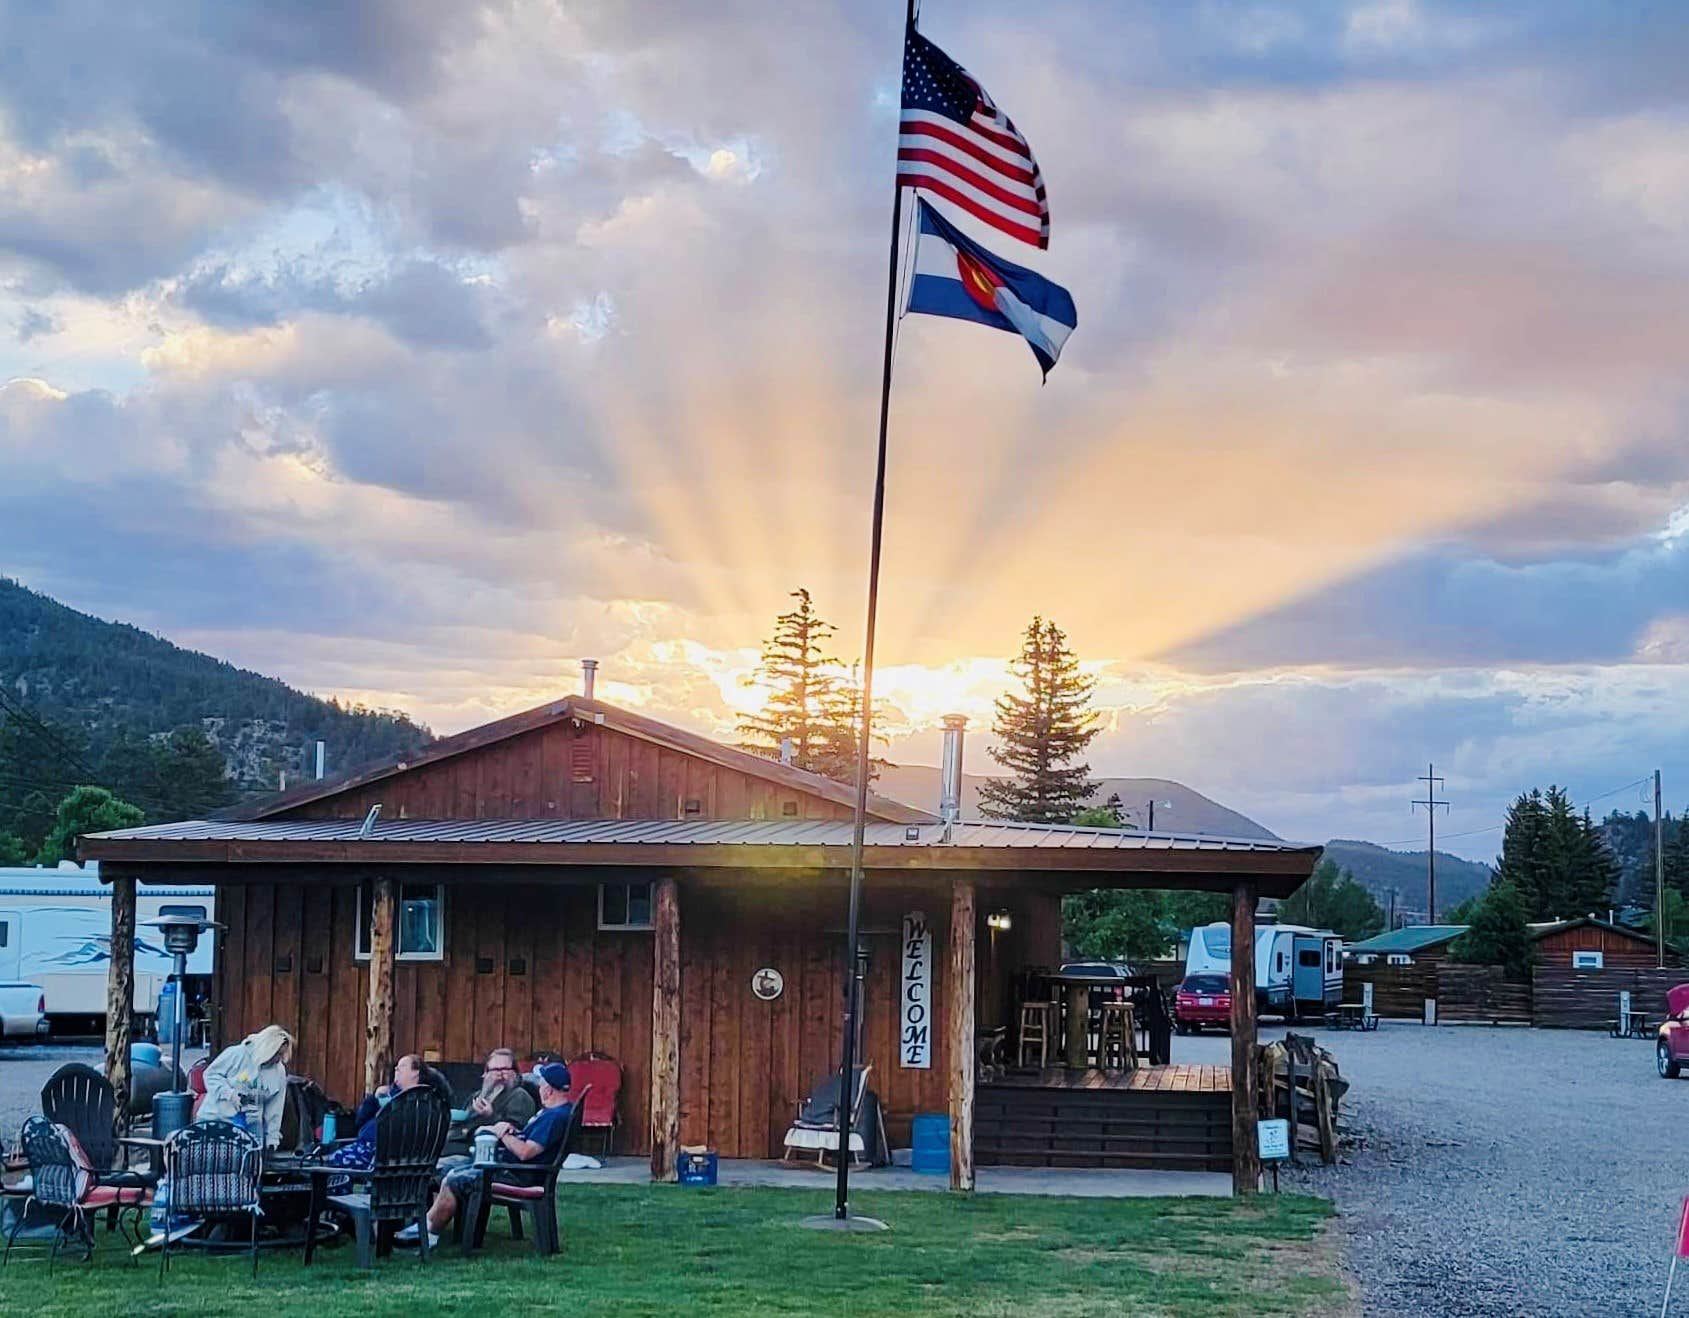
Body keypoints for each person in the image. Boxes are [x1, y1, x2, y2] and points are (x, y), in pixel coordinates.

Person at [399, 1060, 573, 1247]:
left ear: (548, 1090)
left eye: (541, 1084)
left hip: (515, 1175)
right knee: (449, 1171)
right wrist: (512, 1132)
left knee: (454, 1178)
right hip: (513, 1170)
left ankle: (429, 1233)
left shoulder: (553, 1118)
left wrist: (502, 1132)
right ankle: (426, 1226)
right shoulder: (557, 1112)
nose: (539, 1087)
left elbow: (525, 1152)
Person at [326, 1054, 429, 1174]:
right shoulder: (387, 1094)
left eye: (403, 1066)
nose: (396, 1069)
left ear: (415, 1072)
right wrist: (374, 1097)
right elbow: (360, 1120)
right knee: (324, 1163)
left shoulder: (421, 1100)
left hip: (380, 1155)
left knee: (330, 1165)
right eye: (396, 1067)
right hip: (363, 1147)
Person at [196, 1024, 293, 1148]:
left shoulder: (279, 1071)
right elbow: (211, 1075)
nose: (278, 1059)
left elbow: (275, 1108)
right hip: (214, 1120)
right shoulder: (236, 1054)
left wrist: (272, 1138)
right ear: (267, 1048)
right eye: (276, 1054)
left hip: (250, 1129)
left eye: (281, 1055)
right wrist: (229, 1094)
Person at [456, 1048, 536, 1139]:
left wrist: (491, 1115)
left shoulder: (520, 1096)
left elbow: (516, 1131)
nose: (499, 1074)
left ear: (515, 1072)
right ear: (486, 1073)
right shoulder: (477, 1096)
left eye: (504, 1069)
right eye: (494, 1070)